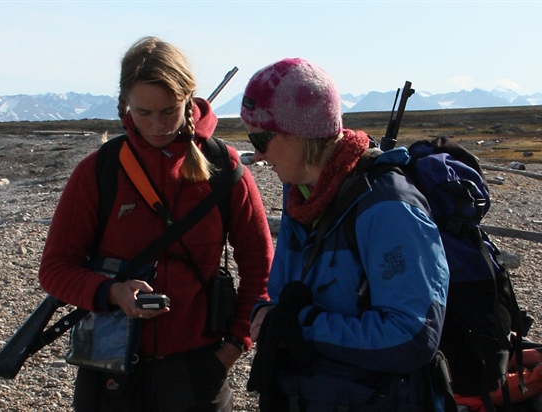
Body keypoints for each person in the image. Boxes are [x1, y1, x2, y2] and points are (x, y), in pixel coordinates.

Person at [38, 36, 273, 411]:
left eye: (169, 110)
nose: (157, 124)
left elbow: (262, 270)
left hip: (199, 370)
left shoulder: (227, 170)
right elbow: (54, 269)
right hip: (109, 372)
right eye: (143, 113)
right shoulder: (98, 172)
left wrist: (231, 350)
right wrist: (112, 293)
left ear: (189, 100)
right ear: (124, 104)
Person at [242, 58, 452, 411]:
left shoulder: (388, 207)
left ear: (301, 133)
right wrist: (267, 315)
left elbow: (411, 336)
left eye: (262, 138)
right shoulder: (301, 198)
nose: (258, 153)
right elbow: (283, 295)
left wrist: (303, 326)